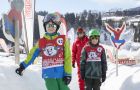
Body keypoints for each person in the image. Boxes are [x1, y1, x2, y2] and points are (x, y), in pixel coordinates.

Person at [15, 12, 72, 90]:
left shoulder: (63, 39)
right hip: (48, 74)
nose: (50, 28)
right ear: (45, 27)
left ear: (57, 27)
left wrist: (68, 74)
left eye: (53, 26)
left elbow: (68, 57)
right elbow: (32, 54)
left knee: (64, 88)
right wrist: (23, 66)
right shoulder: (41, 42)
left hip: (61, 73)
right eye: (48, 25)